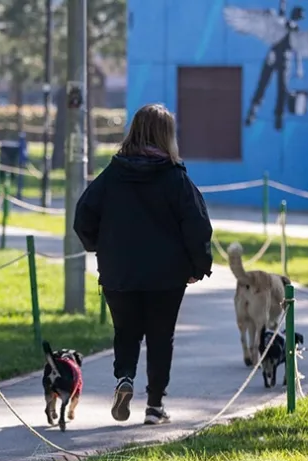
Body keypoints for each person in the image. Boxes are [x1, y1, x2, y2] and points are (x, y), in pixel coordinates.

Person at [73, 103, 213, 425]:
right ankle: (154, 406)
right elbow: (197, 225)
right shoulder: (176, 179)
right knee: (161, 337)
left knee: (126, 331)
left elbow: (83, 216)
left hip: (118, 271)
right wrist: (198, 265)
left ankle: (124, 377)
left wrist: (99, 247)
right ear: (167, 136)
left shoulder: (112, 175)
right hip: (167, 275)